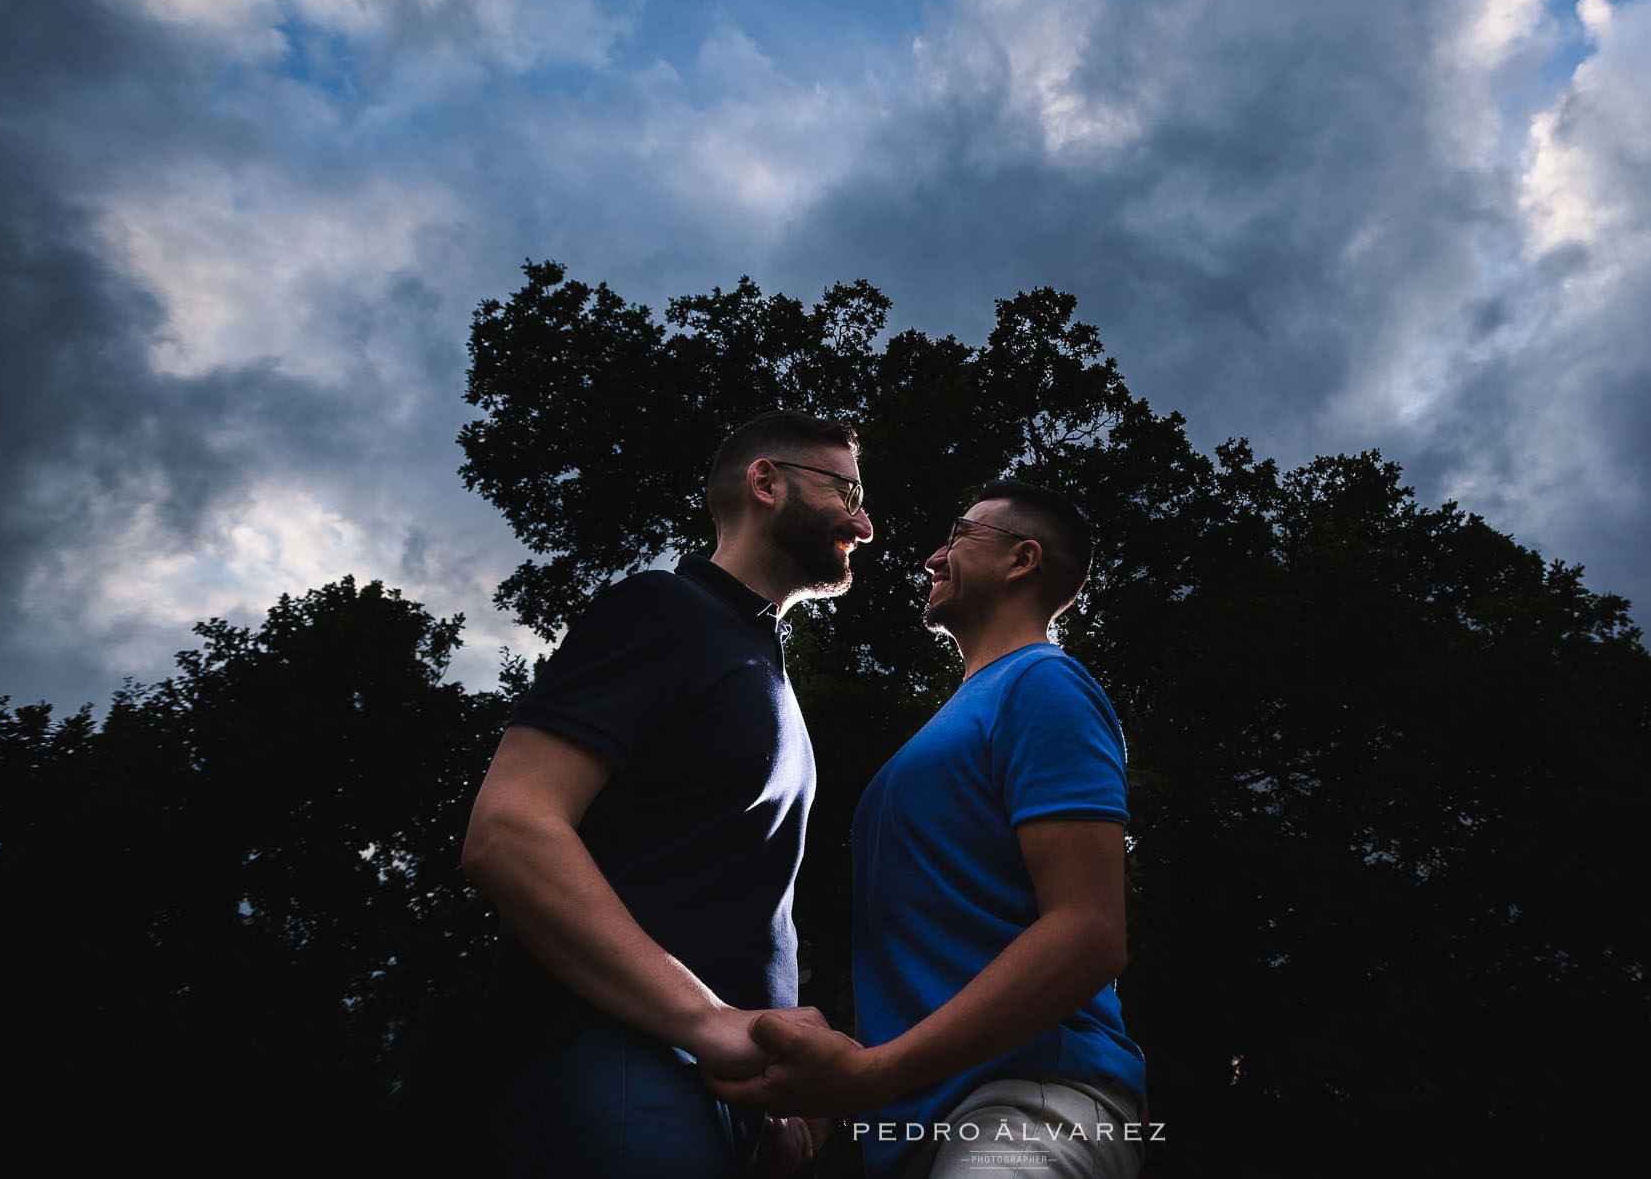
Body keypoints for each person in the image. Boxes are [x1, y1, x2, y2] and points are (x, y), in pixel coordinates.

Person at [460, 410, 874, 1177]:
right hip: (614, 1057)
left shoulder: (763, 669)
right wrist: (704, 1019)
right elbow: (509, 829)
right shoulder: (664, 609)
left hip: (728, 1096)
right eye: (846, 489)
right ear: (766, 482)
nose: (866, 522)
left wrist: (770, 1090)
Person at [710, 479, 1147, 1179]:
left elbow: (1090, 933)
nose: (931, 559)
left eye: (959, 537)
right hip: (916, 1129)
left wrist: (872, 1074)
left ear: (1022, 559)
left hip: (1027, 1109)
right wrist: (838, 1081)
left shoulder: (1045, 684)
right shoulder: (961, 717)